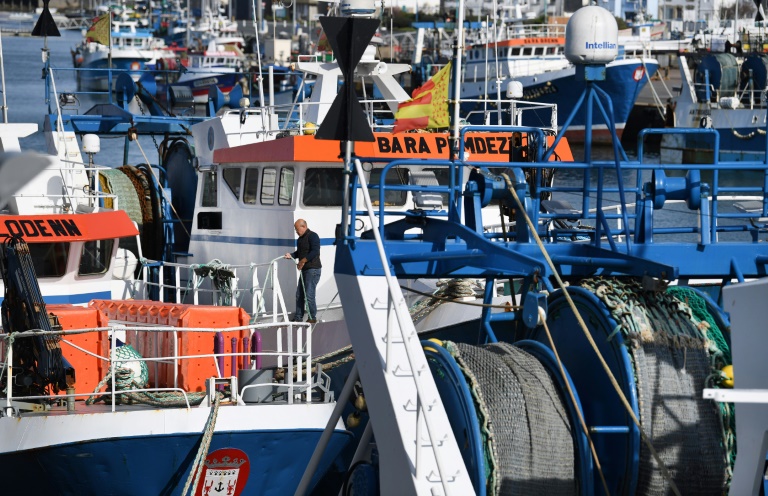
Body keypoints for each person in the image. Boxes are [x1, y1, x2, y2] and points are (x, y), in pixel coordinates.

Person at [284, 219, 321, 323]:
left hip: (313, 270)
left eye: (297, 229)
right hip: (305, 270)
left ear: (303, 226)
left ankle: (312, 318)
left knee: (309, 295)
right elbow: (299, 253)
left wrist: (303, 261)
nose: (296, 231)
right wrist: (291, 255)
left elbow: (315, 251)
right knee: (299, 294)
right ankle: (298, 317)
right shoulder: (300, 239)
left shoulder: (313, 236)